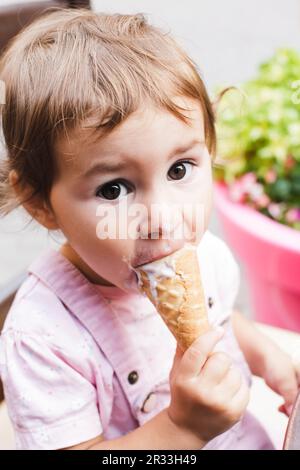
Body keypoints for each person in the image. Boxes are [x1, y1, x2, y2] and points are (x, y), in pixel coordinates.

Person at [0, 8, 299, 450]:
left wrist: (265, 357)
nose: (163, 218)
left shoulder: (206, 256)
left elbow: (221, 319)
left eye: (180, 169)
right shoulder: (42, 338)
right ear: (40, 202)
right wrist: (181, 429)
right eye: (115, 188)